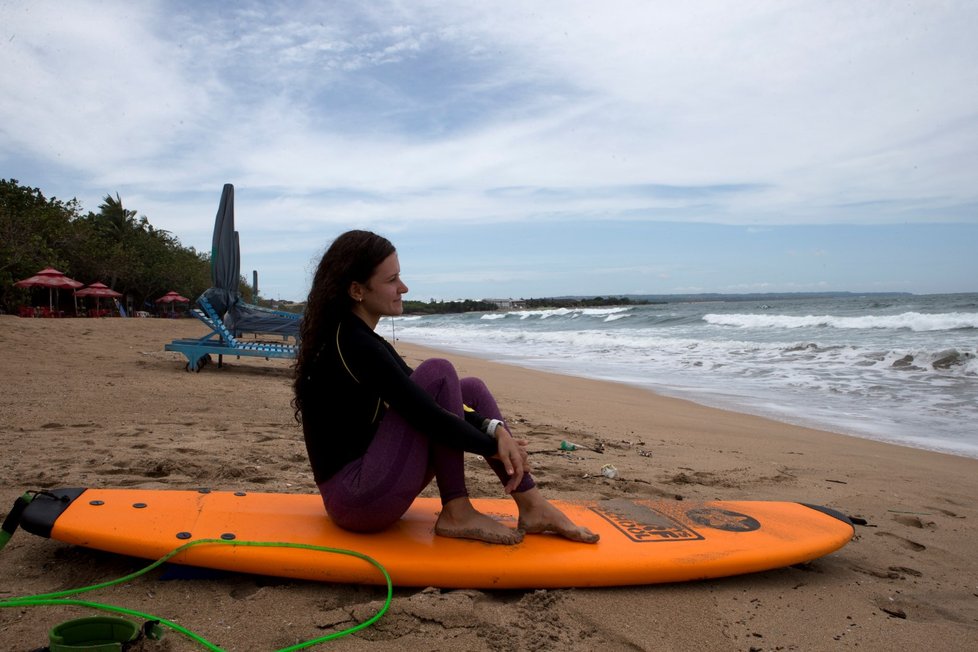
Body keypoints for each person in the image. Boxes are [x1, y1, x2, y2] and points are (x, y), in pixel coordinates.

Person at [293, 230, 598, 545]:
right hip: (357, 500)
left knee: (471, 389)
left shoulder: (357, 337)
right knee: (438, 372)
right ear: (357, 290)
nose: (403, 288)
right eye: (392, 280)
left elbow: (425, 400)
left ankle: (532, 505)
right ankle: (457, 509)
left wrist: (494, 429)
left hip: (366, 489)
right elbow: (428, 415)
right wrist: (494, 446)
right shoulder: (353, 343)